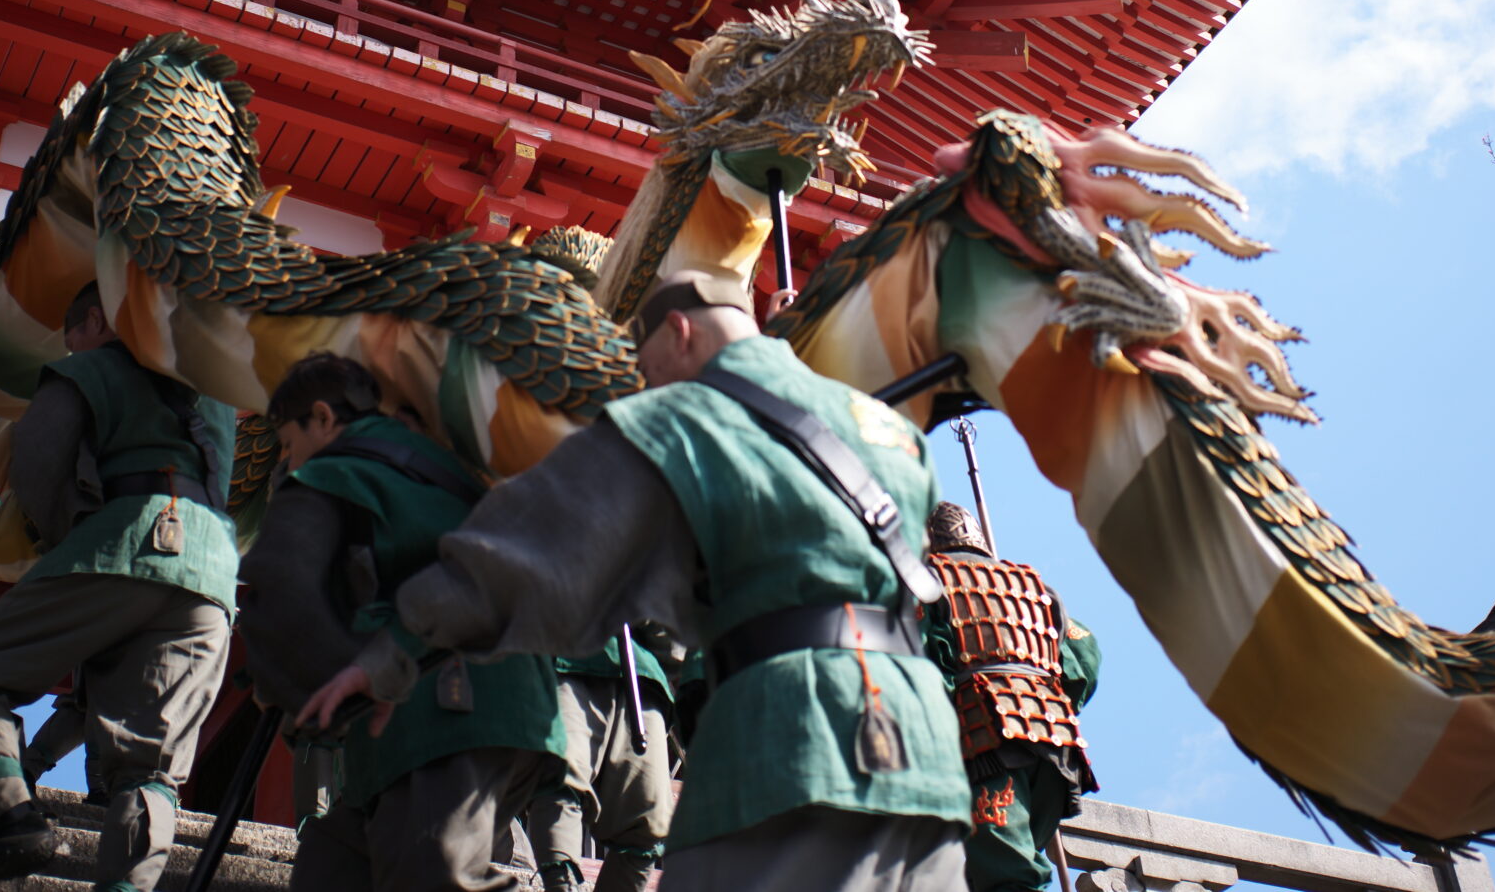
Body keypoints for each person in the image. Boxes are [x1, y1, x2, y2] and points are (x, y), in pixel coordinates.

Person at [301, 270, 970, 892]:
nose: (646, 387)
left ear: (679, 333)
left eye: (646, 369)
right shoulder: (885, 426)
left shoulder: (677, 420)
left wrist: (393, 653)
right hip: (926, 753)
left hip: (787, 731)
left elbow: (529, 551)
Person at [0, 285, 237, 892]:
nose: (72, 348)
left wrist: (66, 536)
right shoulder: (216, 390)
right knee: (150, 769)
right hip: (214, 572)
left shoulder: (86, 368)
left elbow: (39, 465)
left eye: (74, 336)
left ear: (96, 319)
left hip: (122, 539)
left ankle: (11, 814)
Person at [241, 351, 567, 892]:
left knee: (431, 877)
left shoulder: (344, 469)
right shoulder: (427, 463)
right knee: (334, 870)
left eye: (288, 443)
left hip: (449, 707)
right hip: (468, 710)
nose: (289, 461)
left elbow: (282, 584)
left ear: (322, 418)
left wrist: (292, 683)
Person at [921, 502, 1099, 892]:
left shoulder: (927, 584)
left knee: (1007, 875)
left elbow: (920, 663)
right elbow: (1084, 659)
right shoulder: (1035, 587)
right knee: (1007, 863)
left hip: (983, 741)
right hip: (1054, 745)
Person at [523, 628, 677, 892]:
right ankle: (563, 886)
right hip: (563, 656)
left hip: (642, 677)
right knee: (562, 776)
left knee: (648, 821)